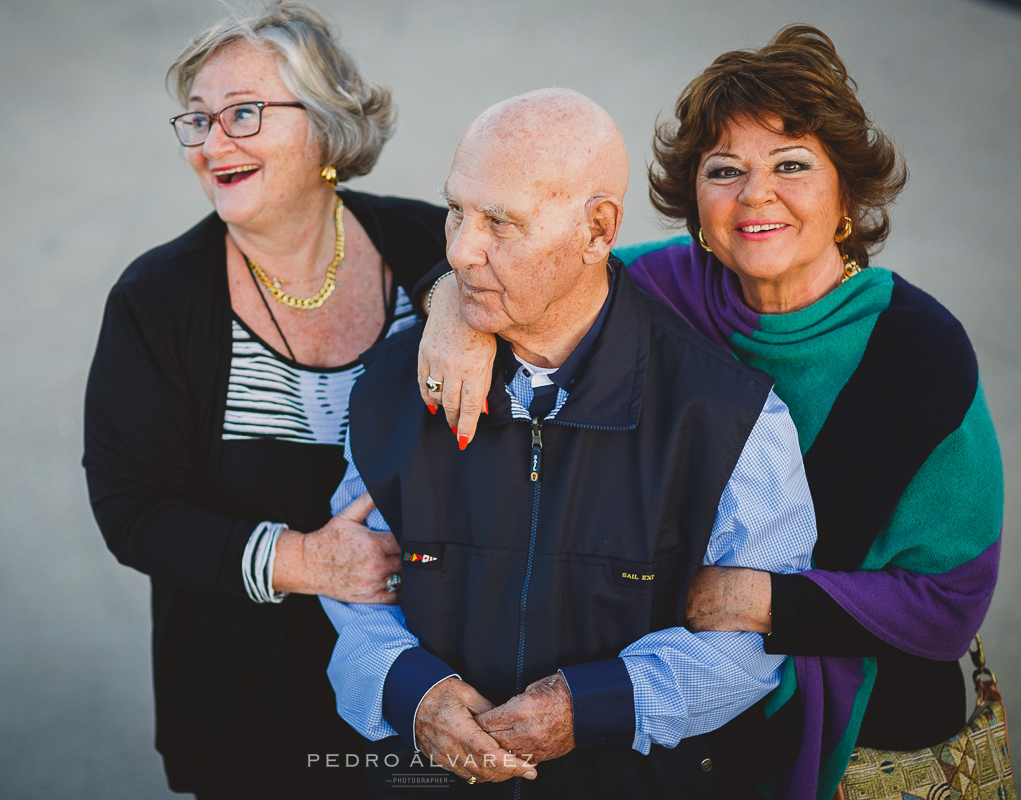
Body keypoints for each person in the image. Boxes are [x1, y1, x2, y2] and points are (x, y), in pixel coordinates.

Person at [417, 26, 1003, 800]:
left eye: (791, 165)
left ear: (845, 194)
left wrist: (769, 601)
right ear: (694, 199)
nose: (755, 194)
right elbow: (532, 272)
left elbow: (949, 605)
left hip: (877, 737)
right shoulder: (661, 290)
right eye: (725, 171)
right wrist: (451, 308)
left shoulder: (919, 352)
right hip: (702, 723)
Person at [322, 88, 817, 799]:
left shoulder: (731, 417)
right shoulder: (393, 385)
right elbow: (355, 587)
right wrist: (410, 691)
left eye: (502, 222)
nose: (461, 251)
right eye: (457, 210)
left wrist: (596, 707)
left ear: (597, 230)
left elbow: (748, 647)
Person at [82, 4, 447, 797]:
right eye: (199, 121)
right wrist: (309, 561)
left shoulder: (430, 251)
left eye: (243, 114)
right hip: (249, 707)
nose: (214, 144)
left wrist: (456, 309)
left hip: (436, 701)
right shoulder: (158, 300)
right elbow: (130, 511)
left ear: (324, 124)